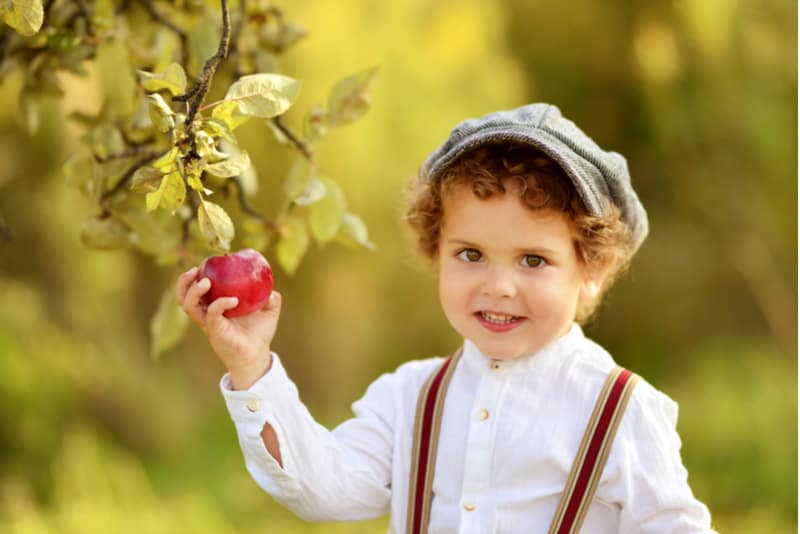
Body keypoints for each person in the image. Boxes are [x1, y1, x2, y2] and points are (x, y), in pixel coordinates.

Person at [176, 103, 714, 533]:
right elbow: (322, 489)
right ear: (437, 250)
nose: (498, 286)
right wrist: (251, 366)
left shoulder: (621, 411)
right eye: (471, 254)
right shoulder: (411, 397)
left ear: (591, 269)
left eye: (534, 260)